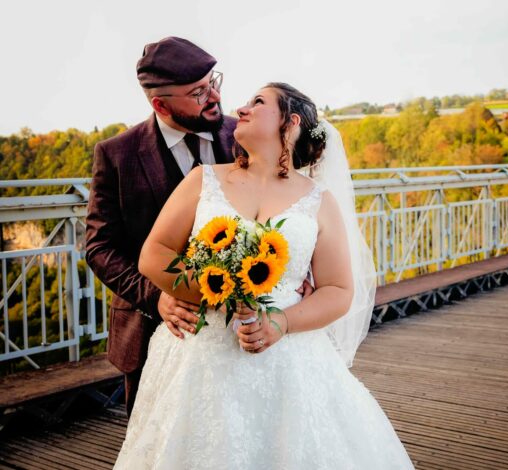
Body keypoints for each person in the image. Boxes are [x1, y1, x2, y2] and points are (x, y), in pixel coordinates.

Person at [114, 83, 414, 469]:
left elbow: (339, 290)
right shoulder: (202, 180)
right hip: (198, 357)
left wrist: (281, 322)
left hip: (288, 362)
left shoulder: (319, 201)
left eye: (258, 102)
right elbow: (153, 255)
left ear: (289, 123)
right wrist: (211, 290)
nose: (240, 108)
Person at [86, 37, 311, 416]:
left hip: (248, 334)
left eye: (214, 81)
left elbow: (292, 205)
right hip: (154, 329)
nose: (215, 96)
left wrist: (296, 271)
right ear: (161, 104)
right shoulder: (116, 155)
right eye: (199, 92)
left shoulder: (245, 135)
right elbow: (98, 247)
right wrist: (155, 295)